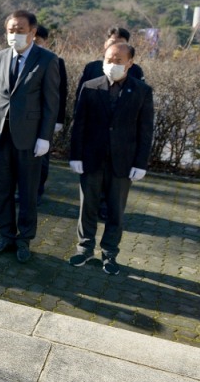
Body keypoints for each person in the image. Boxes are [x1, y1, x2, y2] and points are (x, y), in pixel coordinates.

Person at [0, 10, 60, 263]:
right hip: (0, 135)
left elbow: (51, 102)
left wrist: (45, 137)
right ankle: (5, 235)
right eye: (11, 30)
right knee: (2, 190)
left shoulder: (47, 60)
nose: (15, 35)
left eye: (20, 30)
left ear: (33, 32)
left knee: (27, 192)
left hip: (29, 139)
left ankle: (24, 239)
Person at [68, 43, 153, 275]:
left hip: (123, 162)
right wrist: (75, 155)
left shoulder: (142, 91)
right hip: (92, 158)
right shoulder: (91, 86)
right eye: (108, 59)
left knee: (116, 210)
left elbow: (145, 130)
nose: (112, 64)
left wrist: (140, 163)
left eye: (118, 60)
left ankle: (110, 253)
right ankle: (84, 249)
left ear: (130, 63)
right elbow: (79, 125)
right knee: (88, 206)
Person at [33, 25, 68, 204]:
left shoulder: (55, 60)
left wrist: (59, 119)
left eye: (38, 40)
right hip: (24, 118)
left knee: (42, 157)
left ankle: (38, 190)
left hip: (46, 118)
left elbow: (61, 92)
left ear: (45, 41)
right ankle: (21, 189)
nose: (34, 42)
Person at [76, 27, 145, 102]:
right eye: (112, 43)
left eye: (121, 45)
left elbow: (141, 98)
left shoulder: (135, 70)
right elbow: (80, 98)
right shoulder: (92, 68)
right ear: (105, 44)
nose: (116, 48)